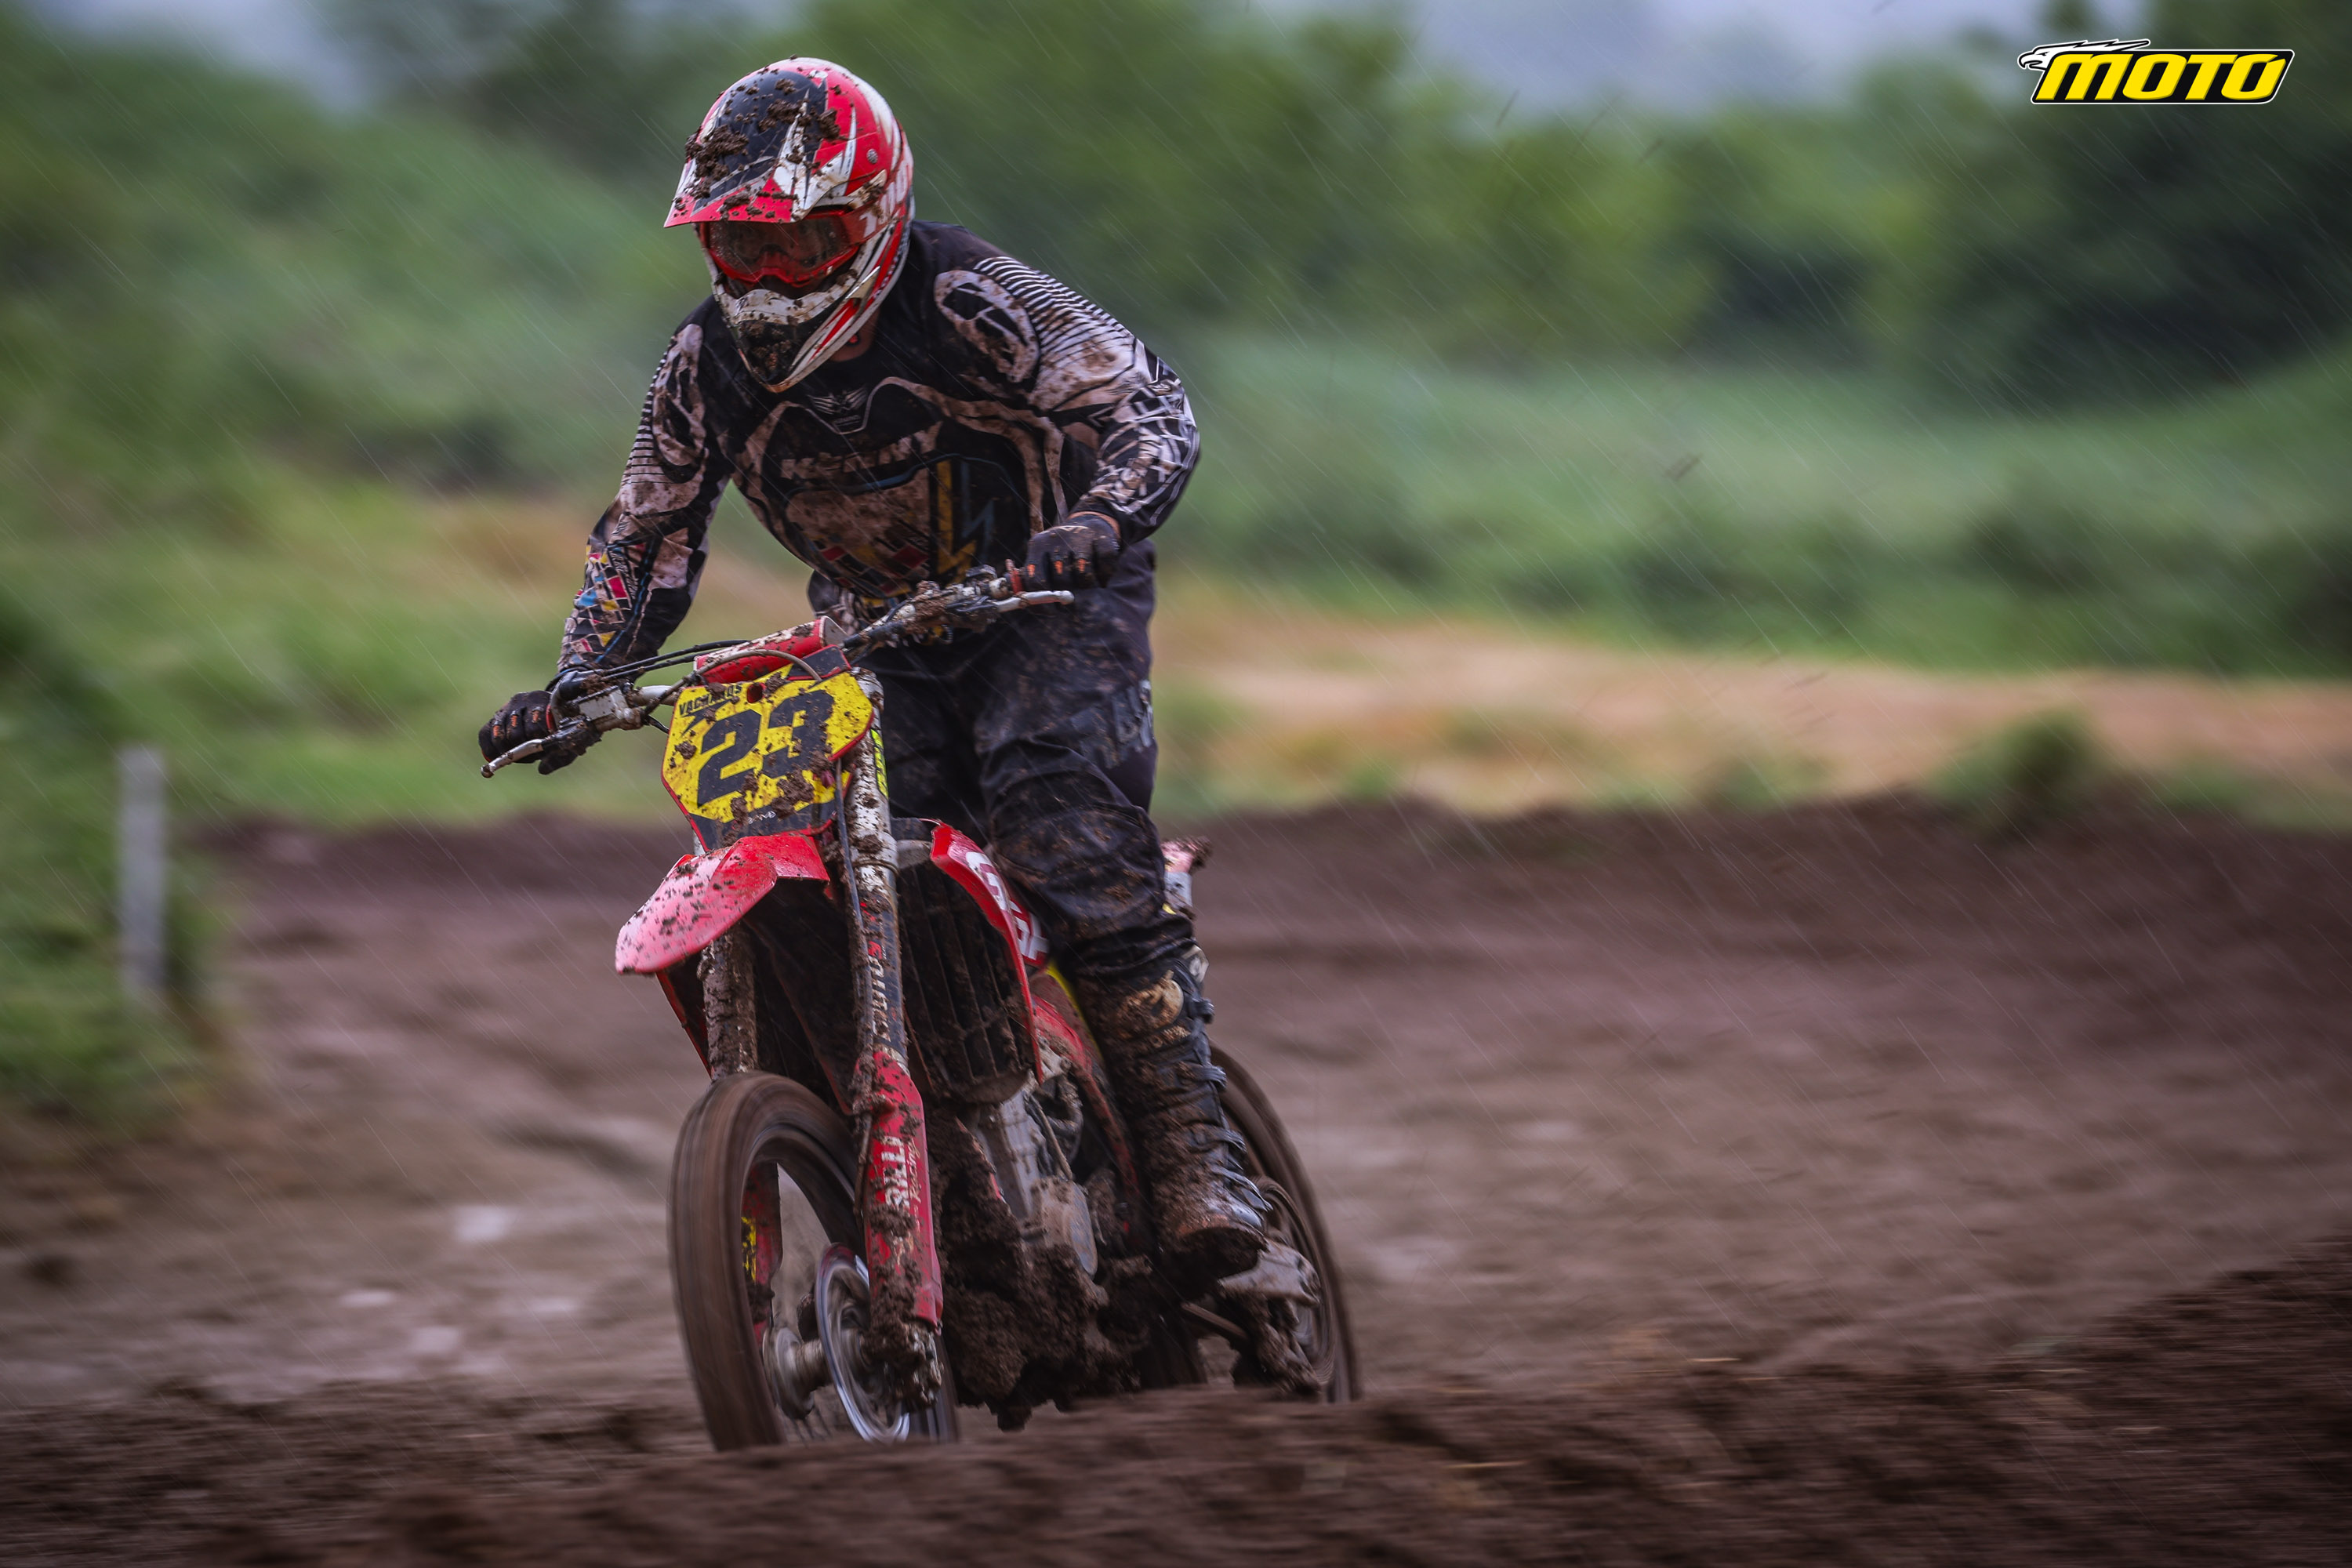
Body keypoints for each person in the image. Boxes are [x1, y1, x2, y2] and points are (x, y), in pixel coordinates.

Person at [477, 59, 1265, 1287]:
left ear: (877, 214)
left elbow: (1149, 404)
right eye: (745, 247)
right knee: (851, 873)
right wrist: (580, 679)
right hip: (882, 633)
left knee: (1053, 808)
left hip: (1049, 597)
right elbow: (645, 534)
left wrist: (1099, 520)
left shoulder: (970, 296)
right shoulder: (703, 367)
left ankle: (1192, 1161)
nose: (773, 278)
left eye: (806, 244)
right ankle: (961, 1199)